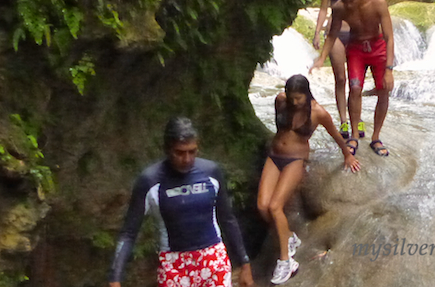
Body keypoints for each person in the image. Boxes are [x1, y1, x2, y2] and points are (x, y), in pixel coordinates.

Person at [108, 117, 254, 287]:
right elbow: (129, 233)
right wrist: (115, 278)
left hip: (213, 260)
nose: (186, 159)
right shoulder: (150, 181)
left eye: (192, 152)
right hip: (174, 265)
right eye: (180, 152)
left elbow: (228, 219)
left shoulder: (211, 173)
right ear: (167, 149)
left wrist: (245, 263)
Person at [257, 74, 360, 285]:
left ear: (306, 93)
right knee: (262, 206)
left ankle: (286, 261)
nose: (295, 102)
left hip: (295, 160)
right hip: (274, 156)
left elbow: (335, 134)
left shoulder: (318, 112)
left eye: (299, 98)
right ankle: (289, 236)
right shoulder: (280, 101)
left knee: (275, 207)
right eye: (291, 97)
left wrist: (347, 154)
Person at [310, 0, 395, 156]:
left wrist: (389, 69)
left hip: (378, 46)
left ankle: (376, 137)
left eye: (352, 0)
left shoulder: (378, 2)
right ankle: (354, 135)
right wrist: (321, 58)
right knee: (355, 88)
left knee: (383, 89)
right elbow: (332, 35)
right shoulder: (339, 8)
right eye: (345, 0)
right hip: (356, 48)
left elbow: (389, 37)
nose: (348, 5)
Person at [313, 0, 368, 139]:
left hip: (353, 33)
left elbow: (361, 7)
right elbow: (322, 8)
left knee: (356, 81)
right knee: (341, 78)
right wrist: (317, 32)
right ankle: (344, 121)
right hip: (335, 33)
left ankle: (356, 118)